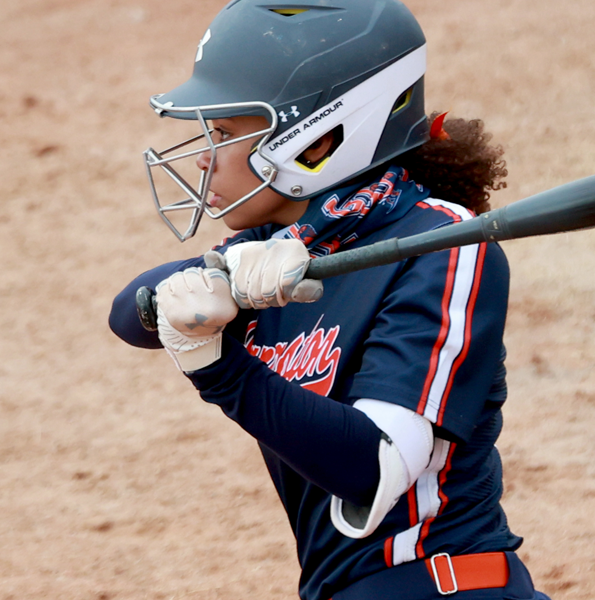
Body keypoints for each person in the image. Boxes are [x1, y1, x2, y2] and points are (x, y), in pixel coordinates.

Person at [108, 1, 550, 598]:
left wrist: (216, 367)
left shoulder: (440, 244)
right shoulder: (271, 252)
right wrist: (227, 271)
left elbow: (373, 466)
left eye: (227, 133)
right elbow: (128, 313)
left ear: (315, 137)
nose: (206, 158)